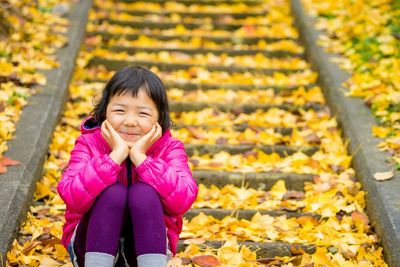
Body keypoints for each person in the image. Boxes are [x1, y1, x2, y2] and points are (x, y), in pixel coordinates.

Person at [57, 66, 198, 267]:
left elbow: (182, 200)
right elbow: (72, 196)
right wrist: (114, 157)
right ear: (104, 110)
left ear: (159, 117)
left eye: (142, 113)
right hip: (89, 246)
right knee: (113, 193)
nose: (130, 121)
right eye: (120, 111)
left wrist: (142, 158)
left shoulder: (169, 148)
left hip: (148, 247)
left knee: (143, 193)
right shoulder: (89, 143)